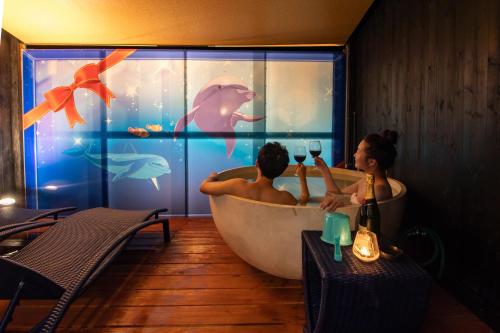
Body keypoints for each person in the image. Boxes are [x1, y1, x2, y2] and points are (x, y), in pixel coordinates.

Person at [200, 142, 310, 205]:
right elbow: (303, 202)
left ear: (257, 163)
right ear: (281, 171)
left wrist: (211, 177)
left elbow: (204, 187)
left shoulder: (237, 186)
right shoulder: (285, 198)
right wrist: (302, 178)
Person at [316, 129, 399, 211]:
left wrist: (344, 202)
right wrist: (324, 169)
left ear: (371, 162)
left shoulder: (379, 190)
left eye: (359, 150)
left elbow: (367, 218)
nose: (354, 154)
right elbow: (336, 194)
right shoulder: (366, 180)